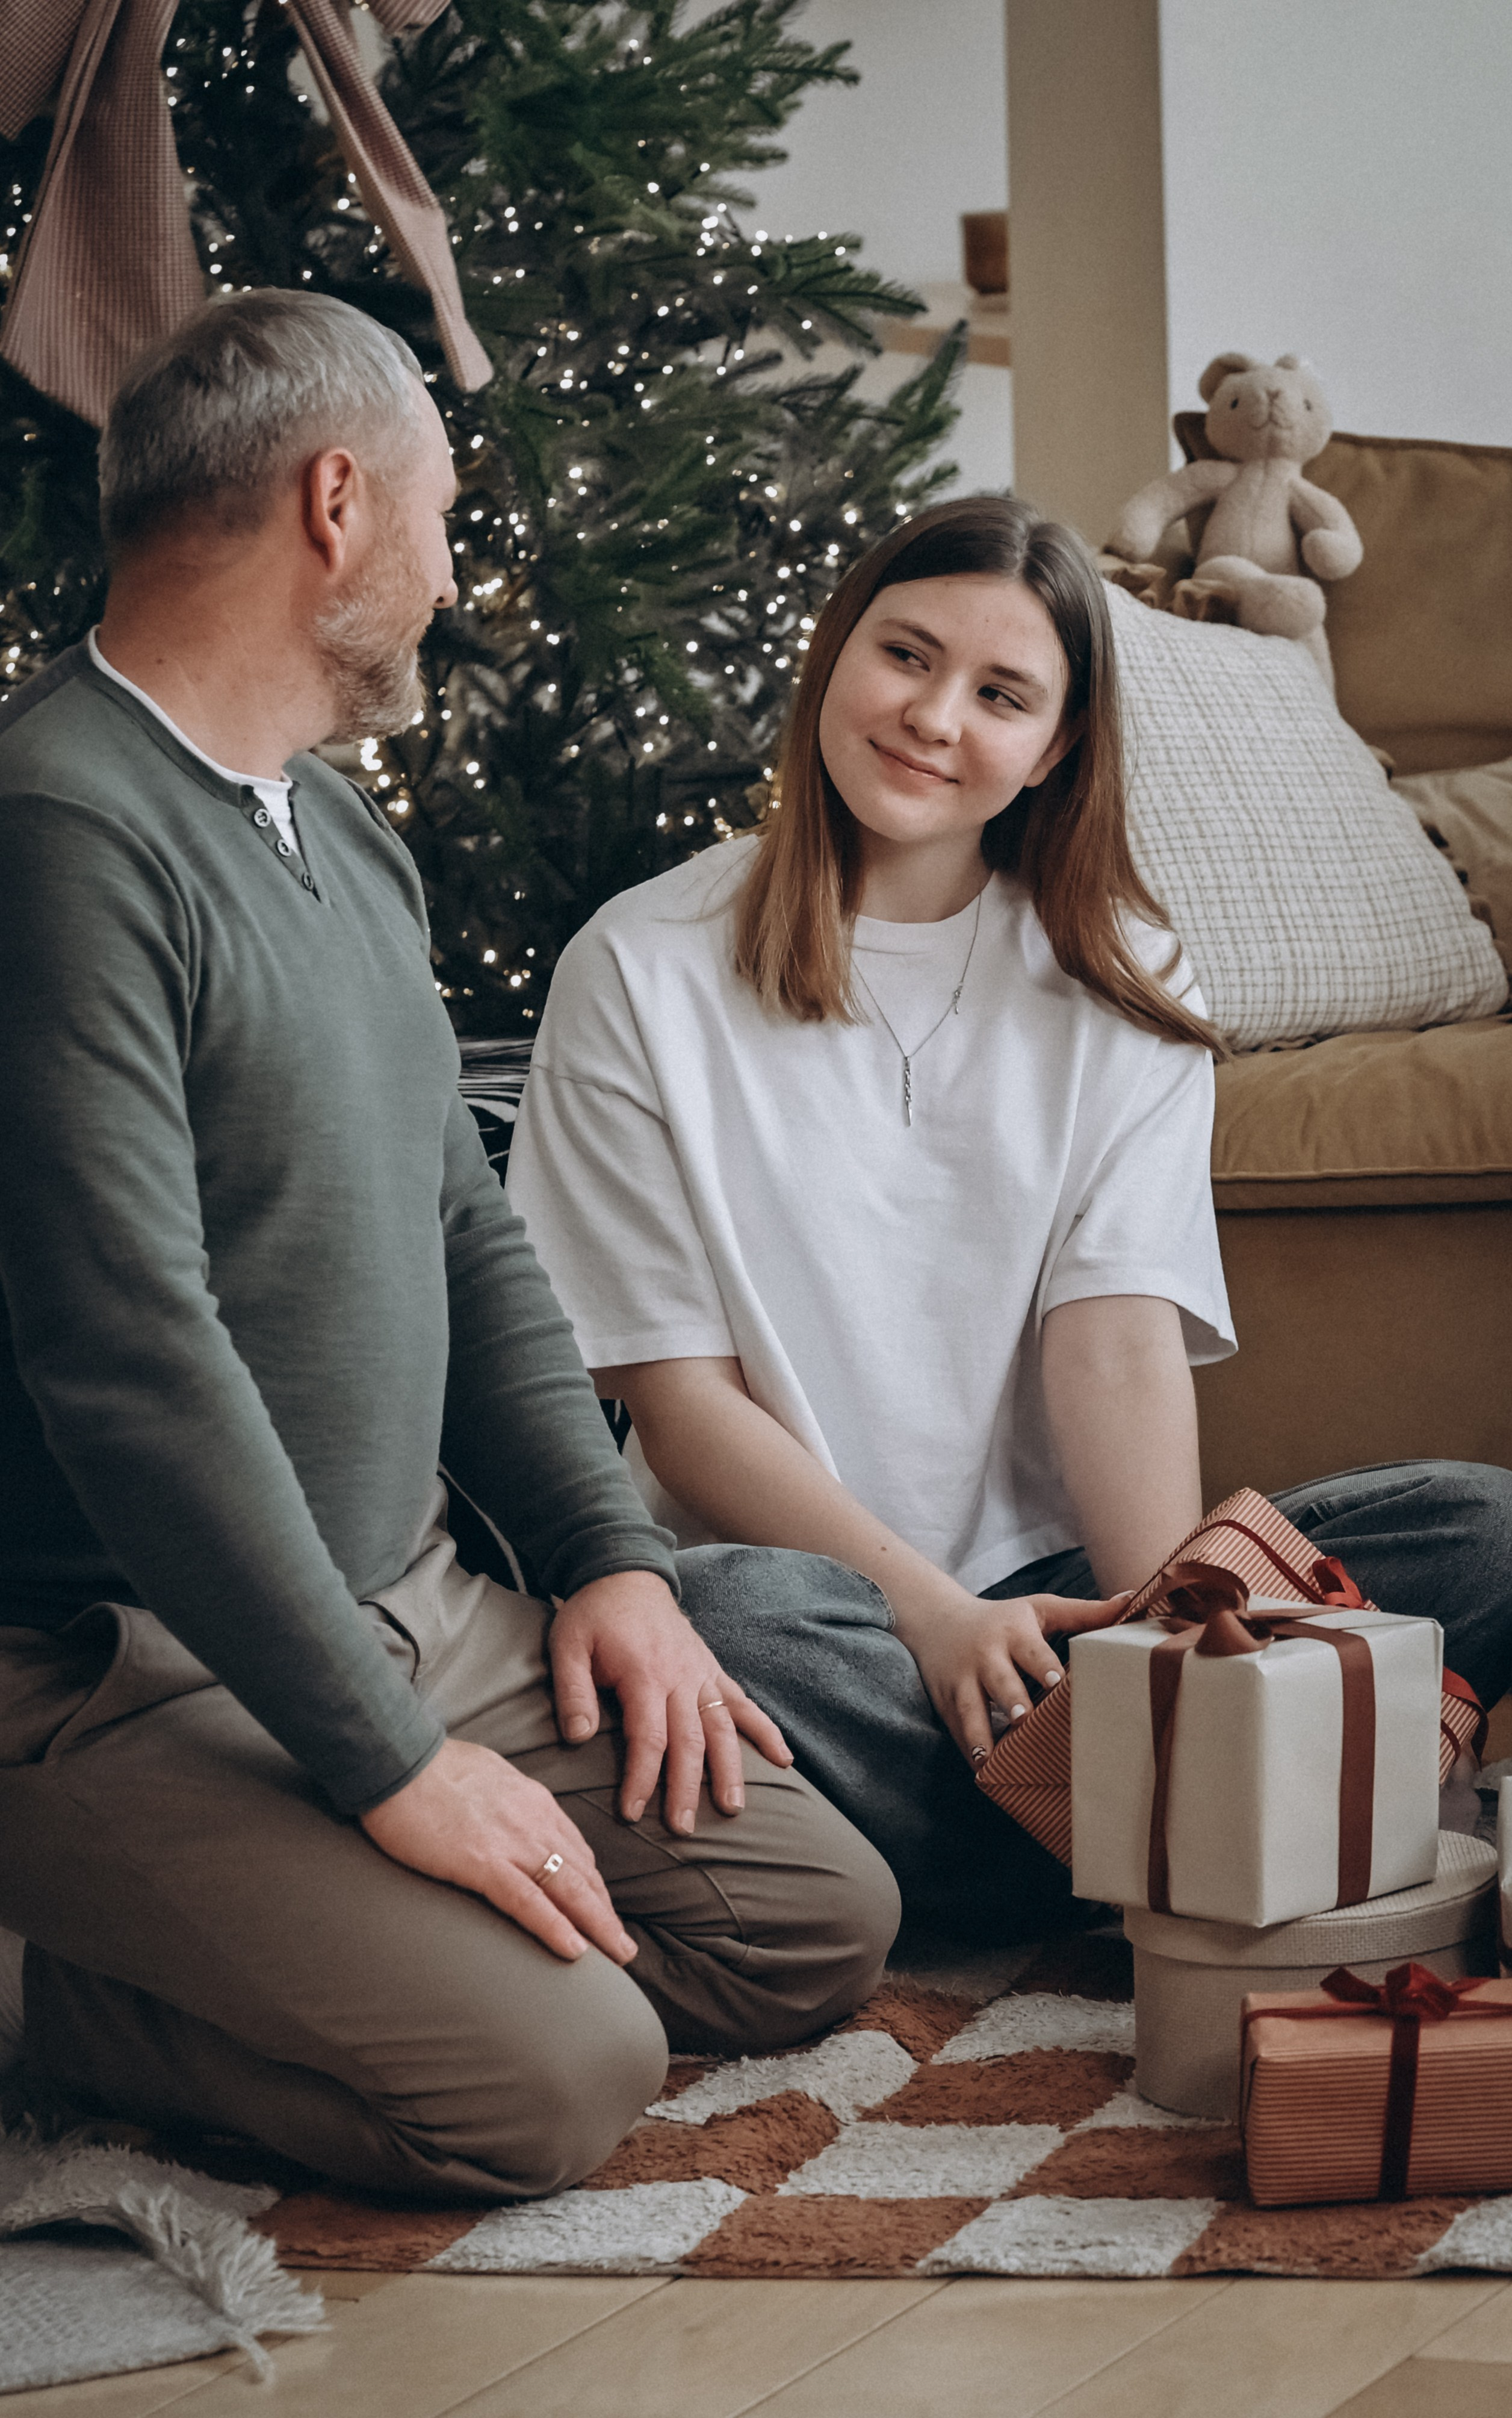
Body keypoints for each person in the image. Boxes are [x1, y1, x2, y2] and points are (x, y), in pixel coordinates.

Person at [0, 290, 899, 2201]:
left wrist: (608, 1562)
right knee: (559, 2078)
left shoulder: (337, 825)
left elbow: (465, 1226)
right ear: (338, 504)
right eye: (437, 509)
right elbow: (128, 1360)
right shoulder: (60, 831)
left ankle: (294, 1937)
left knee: (810, 1920)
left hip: (415, 1606)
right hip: (118, 1670)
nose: (446, 561)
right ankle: (69, 2009)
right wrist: (394, 1773)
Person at [506, 495, 1512, 1941]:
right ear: (831, 656)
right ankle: (1205, 1832)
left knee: (1478, 1528)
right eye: (902, 655)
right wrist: (926, 1611)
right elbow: (675, 1405)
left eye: (998, 694)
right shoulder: (639, 966)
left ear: (1052, 749)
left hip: (1064, 1620)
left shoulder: (1120, 972)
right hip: (825, 1609)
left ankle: (1103, 1817)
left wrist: (1178, 1650)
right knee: (711, 1626)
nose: (930, 716)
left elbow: (1108, 1350)